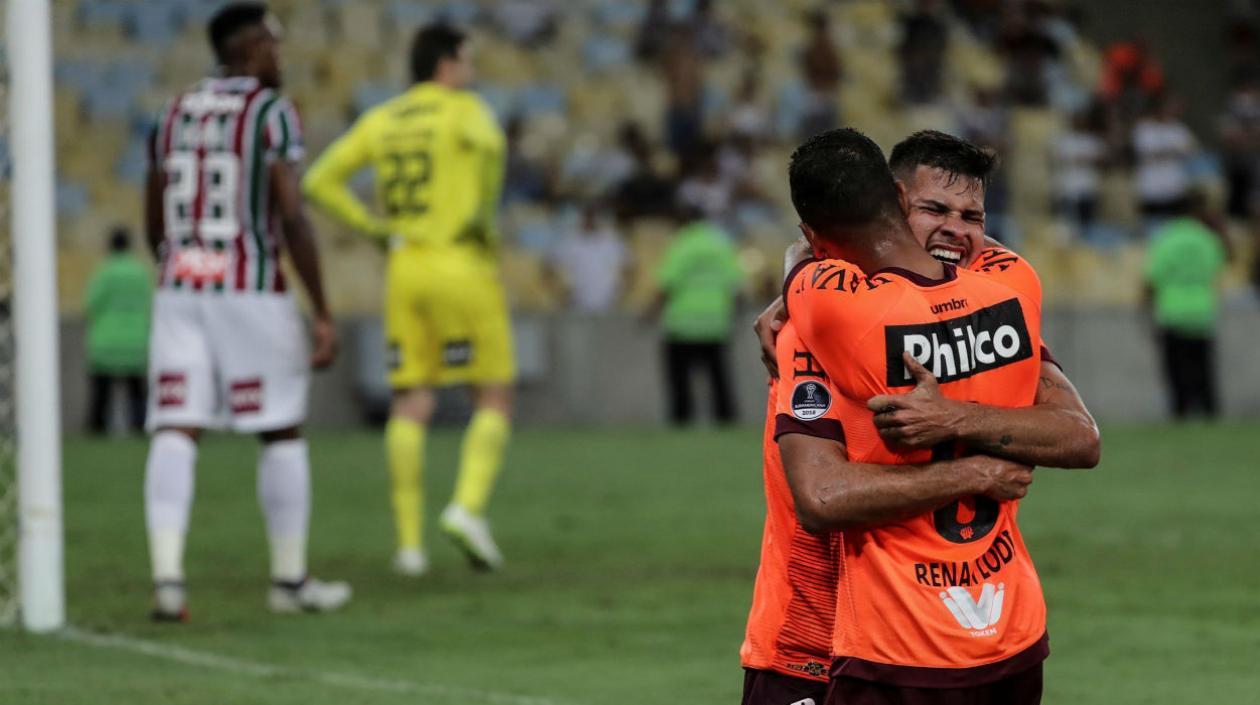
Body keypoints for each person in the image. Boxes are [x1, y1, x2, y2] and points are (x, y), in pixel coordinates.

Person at [741, 130, 1100, 704]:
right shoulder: (820, 321)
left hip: (921, 640)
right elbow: (820, 495)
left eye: (972, 215)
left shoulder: (981, 301)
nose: (957, 229)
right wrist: (979, 470)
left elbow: (1080, 437)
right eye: (934, 209)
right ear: (891, 205)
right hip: (815, 641)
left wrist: (955, 418)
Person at [143, 2, 346, 621]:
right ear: (250, 47)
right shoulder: (270, 111)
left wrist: (174, 260)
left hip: (181, 284)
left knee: (177, 426)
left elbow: (152, 204)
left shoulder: (172, 110)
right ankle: (288, 582)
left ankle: (168, 580)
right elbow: (290, 211)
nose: (279, 56)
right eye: (273, 45)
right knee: (280, 428)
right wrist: (323, 310)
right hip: (248, 286)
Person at [303, 24, 512, 576]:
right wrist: (484, 225)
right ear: (446, 63)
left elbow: (319, 181)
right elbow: (493, 153)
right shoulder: (465, 112)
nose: (470, 71)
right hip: (459, 264)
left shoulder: (383, 118)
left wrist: (373, 230)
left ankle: (409, 547)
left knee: (410, 399)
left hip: (403, 268)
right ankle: (467, 508)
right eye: (466, 60)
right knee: (492, 397)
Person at [654, 208, 744, 426]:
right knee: (718, 378)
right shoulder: (720, 244)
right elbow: (736, 285)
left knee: (680, 379)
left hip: (683, 322)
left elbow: (668, 283)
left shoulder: (681, 244)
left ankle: (682, 420)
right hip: (715, 322)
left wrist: (649, 311)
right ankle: (725, 420)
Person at [1143, 196, 1227, 419]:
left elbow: (1152, 277)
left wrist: (1147, 309)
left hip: (1173, 311)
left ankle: (1181, 413)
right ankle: (1209, 412)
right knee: (1203, 368)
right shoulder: (1206, 238)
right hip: (1202, 311)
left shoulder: (1166, 238)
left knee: (1176, 370)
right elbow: (1217, 268)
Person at [84, 227, 151, 434]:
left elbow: (90, 303)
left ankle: (97, 429)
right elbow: (150, 302)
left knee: (101, 393)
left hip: (106, 341)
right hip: (136, 341)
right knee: (137, 392)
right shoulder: (141, 272)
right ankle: (140, 426)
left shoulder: (104, 272)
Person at [547, 204, 629, 314]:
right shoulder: (569, 241)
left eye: (593, 217)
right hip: (577, 303)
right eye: (587, 217)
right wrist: (558, 293)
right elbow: (548, 266)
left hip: (608, 303)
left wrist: (622, 293)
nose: (590, 221)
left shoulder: (612, 241)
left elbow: (629, 267)